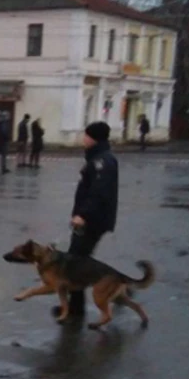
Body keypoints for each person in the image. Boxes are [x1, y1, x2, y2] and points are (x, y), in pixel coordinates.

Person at [56, 121, 119, 319]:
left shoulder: (102, 161)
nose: (84, 138)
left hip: (93, 220)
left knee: (75, 263)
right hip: (92, 219)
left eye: (86, 135)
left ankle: (75, 309)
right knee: (78, 261)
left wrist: (83, 215)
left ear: (94, 138)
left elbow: (99, 193)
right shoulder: (97, 158)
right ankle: (76, 306)